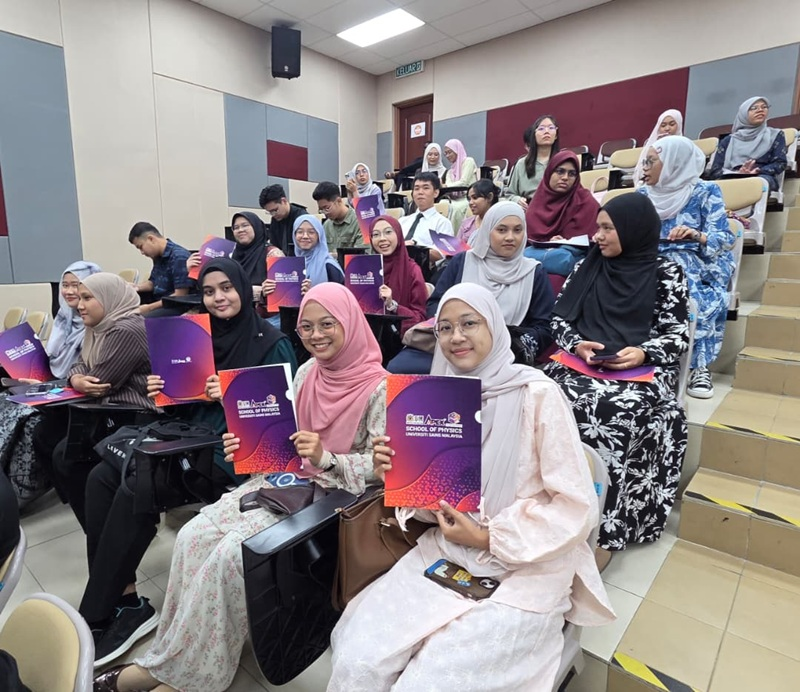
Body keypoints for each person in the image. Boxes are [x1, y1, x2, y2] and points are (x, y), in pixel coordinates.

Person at [94, 283, 387, 692]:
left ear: (350, 323)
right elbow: (284, 438)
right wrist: (247, 442)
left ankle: (187, 676)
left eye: (327, 325)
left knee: (232, 555)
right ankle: (174, 655)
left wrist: (328, 458)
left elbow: (386, 469)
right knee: (192, 536)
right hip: (283, 482)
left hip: (334, 499)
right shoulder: (307, 373)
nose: (315, 335)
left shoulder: (380, 388)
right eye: (306, 327)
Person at [328, 284, 614, 691]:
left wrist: (487, 537)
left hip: (528, 564)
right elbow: (432, 506)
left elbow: (574, 506)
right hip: (446, 551)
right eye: (444, 328)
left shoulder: (537, 395)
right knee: (358, 662)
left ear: (494, 326)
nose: (456, 337)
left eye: (469, 323)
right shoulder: (433, 399)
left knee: (428, 684)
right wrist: (399, 474)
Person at [85, 259, 296, 668]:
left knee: (137, 486)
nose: (218, 298)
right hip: (186, 436)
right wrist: (163, 392)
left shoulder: (271, 342)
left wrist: (230, 395)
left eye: (227, 288)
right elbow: (181, 406)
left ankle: (96, 613)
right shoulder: (195, 337)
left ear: (243, 289)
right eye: (209, 291)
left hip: (232, 450)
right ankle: (123, 597)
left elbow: (278, 423)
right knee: (100, 477)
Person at [544, 194, 689, 562]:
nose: (598, 236)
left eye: (607, 228)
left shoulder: (666, 273)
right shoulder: (587, 266)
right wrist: (577, 344)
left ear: (632, 230)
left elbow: (677, 335)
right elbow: (558, 320)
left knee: (613, 411)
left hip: (641, 370)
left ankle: (604, 526)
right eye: (598, 227)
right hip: (581, 363)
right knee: (542, 393)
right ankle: (547, 505)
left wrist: (643, 352)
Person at [42, 273, 155, 531]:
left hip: (136, 415)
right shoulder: (98, 326)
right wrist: (76, 378)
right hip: (109, 410)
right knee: (58, 449)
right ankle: (97, 526)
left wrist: (79, 379)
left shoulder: (126, 329)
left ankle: (102, 528)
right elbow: (80, 365)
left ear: (108, 298)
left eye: (87, 298)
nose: (79, 305)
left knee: (67, 457)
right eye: (80, 298)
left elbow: (100, 382)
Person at [389, 202, 554, 374]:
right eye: (502, 230)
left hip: (504, 351)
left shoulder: (533, 272)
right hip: (454, 341)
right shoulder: (462, 262)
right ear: (487, 230)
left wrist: (507, 341)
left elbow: (544, 327)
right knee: (399, 368)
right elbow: (435, 303)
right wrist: (453, 326)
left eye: (518, 230)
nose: (510, 237)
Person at [638, 135, 735, 398]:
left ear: (673, 163)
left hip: (697, 258)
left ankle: (698, 366)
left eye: (651, 162)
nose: (644, 167)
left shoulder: (705, 191)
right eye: (645, 161)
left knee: (679, 271)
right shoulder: (643, 194)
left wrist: (695, 234)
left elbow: (724, 238)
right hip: (651, 256)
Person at [0, 261, 102, 506]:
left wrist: (45, 385)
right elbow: (51, 362)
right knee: (6, 403)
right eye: (65, 285)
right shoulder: (63, 320)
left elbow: (86, 374)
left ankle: (19, 492)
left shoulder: (97, 325)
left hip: (74, 398)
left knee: (28, 425)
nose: (69, 291)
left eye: (77, 286)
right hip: (53, 386)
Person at [524, 151, 600, 277]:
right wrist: (549, 243)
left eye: (572, 174)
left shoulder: (586, 201)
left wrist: (565, 242)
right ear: (549, 173)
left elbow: (593, 241)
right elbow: (528, 241)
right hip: (539, 260)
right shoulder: (537, 203)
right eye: (560, 171)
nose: (565, 177)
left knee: (563, 257)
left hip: (573, 262)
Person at [709, 97, 788, 192]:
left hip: (761, 176)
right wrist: (738, 173)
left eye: (764, 107)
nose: (760, 110)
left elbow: (780, 163)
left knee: (757, 183)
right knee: (710, 187)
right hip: (731, 177)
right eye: (754, 108)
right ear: (743, 114)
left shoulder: (775, 135)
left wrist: (756, 171)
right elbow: (715, 170)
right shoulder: (729, 140)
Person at [187, 212, 267, 305]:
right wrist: (194, 271)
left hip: (260, 310)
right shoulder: (229, 254)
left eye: (245, 225)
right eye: (236, 227)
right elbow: (212, 285)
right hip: (226, 307)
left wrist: (263, 291)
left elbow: (279, 293)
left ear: (257, 227)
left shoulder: (271, 253)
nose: (240, 230)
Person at [369, 216, 428, 336]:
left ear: (399, 235)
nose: (382, 239)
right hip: (368, 335)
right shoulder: (365, 269)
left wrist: (393, 305)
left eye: (388, 232)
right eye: (376, 234)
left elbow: (420, 319)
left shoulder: (412, 270)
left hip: (397, 338)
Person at [128, 223, 193, 316]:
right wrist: (136, 287)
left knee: (139, 319)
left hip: (176, 305)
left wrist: (149, 308)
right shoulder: (158, 256)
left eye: (141, 247)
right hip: (160, 302)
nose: (142, 252)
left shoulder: (179, 256)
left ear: (151, 239)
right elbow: (153, 282)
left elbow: (180, 295)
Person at [504, 115, 560, 209]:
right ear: (534, 135)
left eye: (551, 128)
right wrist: (517, 200)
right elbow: (509, 194)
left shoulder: (563, 161)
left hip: (558, 209)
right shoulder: (522, 164)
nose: (546, 131)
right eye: (541, 128)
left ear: (556, 135)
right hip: (529, 209)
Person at [399, 172, 454, 263]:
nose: (420, 192)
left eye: (426, 188)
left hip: (423, 267)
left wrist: (413, 249)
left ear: (436, 193)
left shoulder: (443, 223)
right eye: (416, 188)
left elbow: (441, 254)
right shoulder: (402, 221)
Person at [292, 215, 345, 290]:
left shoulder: (329, 266)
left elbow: (341, 295)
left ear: (319, 236)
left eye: (311, 232)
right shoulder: (291, 265)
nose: (305, 236)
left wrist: (312, 293)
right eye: (300, 232)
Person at [312, 181, 367, 253]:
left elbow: (363, 255)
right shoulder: (326, 225)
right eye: (321, 210)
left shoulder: (361, 222)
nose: (324, 213)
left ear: (339, 200)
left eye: (327, 208)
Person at [633, 109, 683, 187]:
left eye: (672, 124)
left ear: (679, 125)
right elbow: (643, 171)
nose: (667, 128)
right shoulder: (652, 147)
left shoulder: (685, 147)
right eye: (663, 125)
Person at [259, 184, 308, 256]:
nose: (273, 214)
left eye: (275, 210)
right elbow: (274, 244)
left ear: (284, 201)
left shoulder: (302, 218)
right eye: (270, 212)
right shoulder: (275, 219)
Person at [441, 139, 479, 231]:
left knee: (456, 209)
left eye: (450, 152)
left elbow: (464, 182)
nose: (447, 156)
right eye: (446, 153)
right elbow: (448, 184)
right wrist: (446, 186)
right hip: (453, 198)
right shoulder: (450, 171)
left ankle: (456, 236)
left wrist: (447, 186)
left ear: (457, 150)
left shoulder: (468, 161)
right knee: (442, 204)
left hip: (468, 197)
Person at [456, 179, 500, 245]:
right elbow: (457, 247)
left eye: (475, 197)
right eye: (469, 199)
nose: (470, 202)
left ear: (489, 197)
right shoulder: (466, 224)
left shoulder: (500, 224)